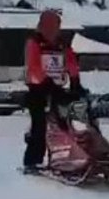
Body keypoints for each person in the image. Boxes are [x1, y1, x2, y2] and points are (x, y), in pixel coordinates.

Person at [22, 10, 83, 171]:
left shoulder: (61, 43)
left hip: (57, 87)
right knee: (40, 126)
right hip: (37, 89)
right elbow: (33, 65)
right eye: (54, 25)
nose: (56, 29)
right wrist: (45, 81)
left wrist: (76, 80)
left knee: (66, 123)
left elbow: (70, 61)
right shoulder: (35, 42)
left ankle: (68, 156)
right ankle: (32, 161)